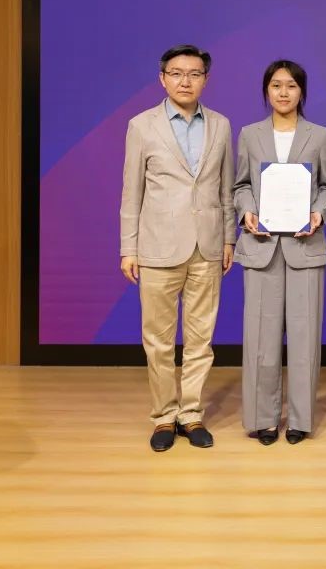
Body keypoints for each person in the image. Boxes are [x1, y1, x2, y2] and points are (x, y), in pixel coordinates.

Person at [120, 44, 236, 452]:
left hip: (207, 246)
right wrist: (128, 247)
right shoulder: (142, 125)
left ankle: (191, 414)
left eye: (194, 74)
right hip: (157, 247)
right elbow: (131, 191)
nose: (185, 81)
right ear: (162, 79)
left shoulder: (220, 125)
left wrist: (228, 238)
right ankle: (164, 416)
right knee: (158, 340)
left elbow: (225, 189)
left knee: (201, 339)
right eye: (177, 73)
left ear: (206, 79)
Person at [233, 60, 326, 445]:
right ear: (266, 90)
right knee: (260, 337)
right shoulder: (249, 135)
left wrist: (319, 213)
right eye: (276, 85)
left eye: (291, 85)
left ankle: (300, 419)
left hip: (305, 246)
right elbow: (241, 185)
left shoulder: (319, 135)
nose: (283, 92)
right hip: (261, 246)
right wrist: (247, 210)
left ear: (301, 92)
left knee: (305, 335)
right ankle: (262, 419)